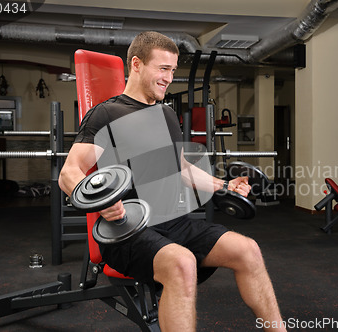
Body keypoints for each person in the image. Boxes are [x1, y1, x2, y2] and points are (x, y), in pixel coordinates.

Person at [59, 31, 286, 332]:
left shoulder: (165, 114)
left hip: (174, 223)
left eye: (173, 70)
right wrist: (102, 204)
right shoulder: (107, 114)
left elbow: (181, 168)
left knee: (248, 250)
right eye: (163, 68)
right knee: (182, 263)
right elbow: (69, 173)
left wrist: (224, 186)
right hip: (130, 230)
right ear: (137, 65)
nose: (169, 77)